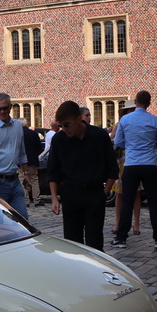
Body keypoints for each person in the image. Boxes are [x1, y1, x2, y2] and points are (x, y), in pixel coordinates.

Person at [48, 101, 119, 250]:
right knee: (73, 244)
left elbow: (112, 168)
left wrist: (105, 193)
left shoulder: (99, 136)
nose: (64, 129)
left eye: (67, 125)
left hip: (94, 194)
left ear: (78, 119)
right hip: (70, 195)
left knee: (95, 243)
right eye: (61, 126)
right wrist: (54, 198)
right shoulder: (59, 140)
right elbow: (53, 171)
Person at [111, 91, 157, 251]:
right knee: (154, 203)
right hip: (149, 164)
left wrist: (132, 144)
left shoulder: (125, 119)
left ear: (135, 101)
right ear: (149, 103)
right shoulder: (154, 120)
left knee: (127, 202)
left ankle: (121, 237)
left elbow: (119, 141)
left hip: (131, 164)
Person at [110, 102, 141, 236]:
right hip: (122, 160)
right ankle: (118, 222)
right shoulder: (121, 122)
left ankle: (136, 223)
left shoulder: (139, 123)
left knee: (136, 193)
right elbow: (113, 140)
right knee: (120, 193)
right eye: (130, 110)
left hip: (135, 159)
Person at [20, 118, 43, 206]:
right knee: (34, 180)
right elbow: (39, 148)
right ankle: (37, 200)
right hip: (32, 161)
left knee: (22, 180)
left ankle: (26, 201)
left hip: (21, 162)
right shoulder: (33, 133)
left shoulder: (18, 134)